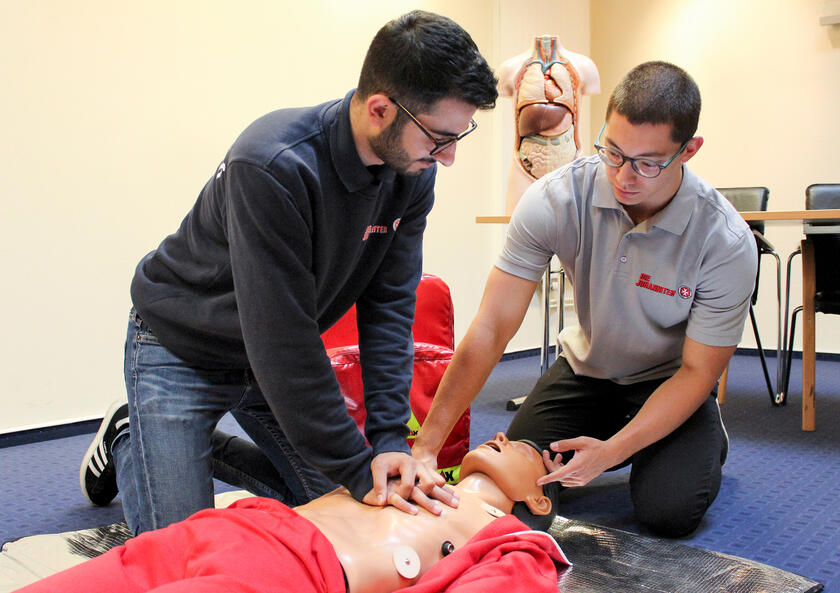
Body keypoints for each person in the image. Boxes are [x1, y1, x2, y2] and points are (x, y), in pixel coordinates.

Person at [79, 10, 498, 536]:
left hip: (273, 354)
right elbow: (282, 341)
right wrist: (355, 467)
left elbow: (389, 306)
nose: (450, 157)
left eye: (460, 136)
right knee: (182, 554)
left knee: (348, 512)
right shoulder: (273, 164)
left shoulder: (412, 173)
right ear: (380, 110)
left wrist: (390, 441)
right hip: (182, 349)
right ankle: (132, 435)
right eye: (439, 138)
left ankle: (176, 443)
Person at [412, 61, 758, 537]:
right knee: (509, 486)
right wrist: (427, 445)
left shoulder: (725, 241)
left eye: (648, 162)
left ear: (689, 150)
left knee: (667, 512)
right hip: (587, 372)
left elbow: (699, 371)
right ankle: (615, 439)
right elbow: (492, 326)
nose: (624, 176)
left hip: (669, 381)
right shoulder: (555, 199)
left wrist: (611, 452)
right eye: (613, 151)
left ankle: (695, 436)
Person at [23, 434, 567, 593]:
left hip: (291, 574)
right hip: (235, 524)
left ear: (539, 501)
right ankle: (132, 433)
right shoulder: (407, 469)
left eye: (522, 447)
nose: (502, 434)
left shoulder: (511, 538)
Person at [497, 35, 600, 214]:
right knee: (517, 224)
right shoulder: (509, 68)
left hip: (570, 162)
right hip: (525, 164)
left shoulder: (584, 66)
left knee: (575, 226)